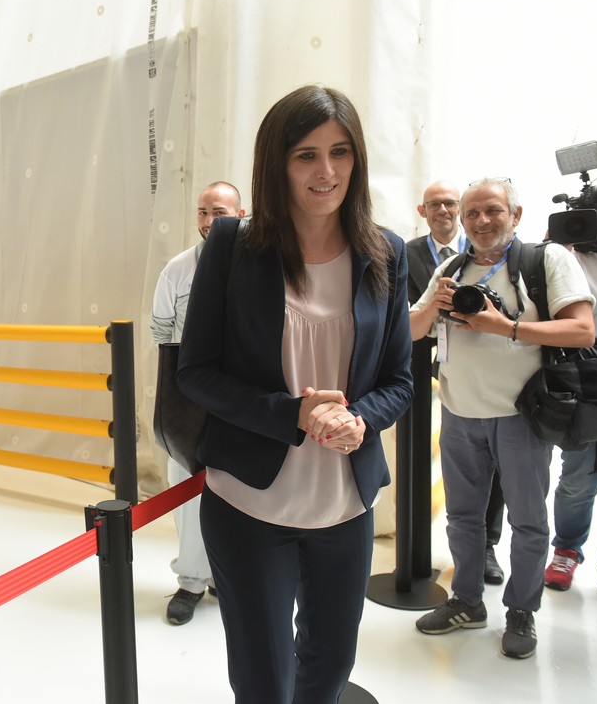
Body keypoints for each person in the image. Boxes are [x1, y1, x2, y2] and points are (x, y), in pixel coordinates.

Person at [177, 85, 412, 703]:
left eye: (340, 151)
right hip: (249, 504)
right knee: (264, 682)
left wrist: (359, 419)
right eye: (306, 154)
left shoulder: (385, 251)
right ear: (276, 162)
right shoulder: (232, 246)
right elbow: (195, 372)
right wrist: (293, 414)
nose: (325, 171)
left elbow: (399, 380)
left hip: (345, 507)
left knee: (329, 671)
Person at [410, 177, 594, 658]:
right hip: (459, 412)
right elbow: (410, 331)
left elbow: (581, 330)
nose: (481, 221)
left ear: (516, 215)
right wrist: (435, 304)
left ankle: (521, 611)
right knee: (462, 518)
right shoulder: (452, 267)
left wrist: (504, 326)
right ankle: (466, 602)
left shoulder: (546, 261)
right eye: (472, 213)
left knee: (528, 522)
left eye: (493, 210)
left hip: (521, 416)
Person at [151, 180, 244, 625]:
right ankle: (190, 580)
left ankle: (228, 577)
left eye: (219, 212)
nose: (209, 221)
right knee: (187, 491)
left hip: (243, 400)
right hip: (190, 401)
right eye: (203, 212)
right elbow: (162, 333)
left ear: (240, 215)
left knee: (242, 493)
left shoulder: (260, 264)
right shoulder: (177, 269)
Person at [405, 181, 507, 585]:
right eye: (435, 204)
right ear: (422, 211)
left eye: (450, 204)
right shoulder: (407, 252)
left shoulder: (489, 252)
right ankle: (456, 551)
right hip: (426, 366)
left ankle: (488, 547)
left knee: (496, 470)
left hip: (488, 365)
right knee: (457, 469)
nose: (443, 211)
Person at [542, 189, 597, 610]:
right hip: (591, 382)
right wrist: (558, 248)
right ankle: (567, 549)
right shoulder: (575, 254)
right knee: (578, 479)